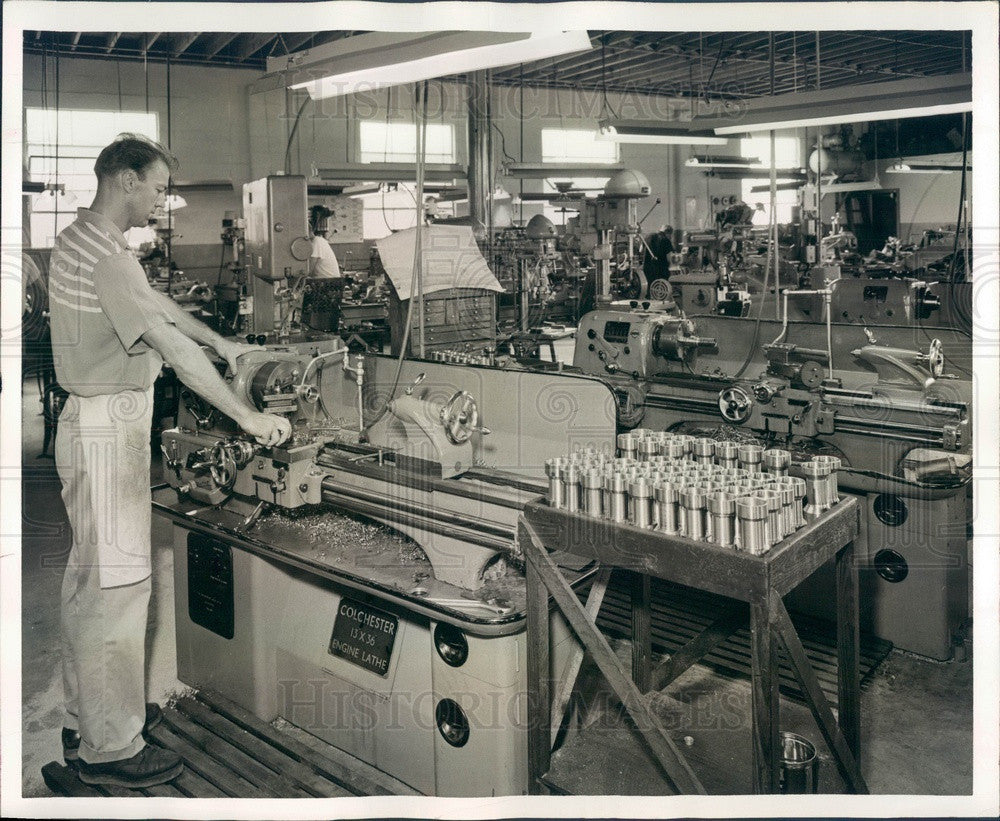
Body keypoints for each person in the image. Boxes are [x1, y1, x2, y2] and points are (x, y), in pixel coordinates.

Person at [48, 133, 291, 789]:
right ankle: (113, 748)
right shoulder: (112, 259)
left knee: (87, 583)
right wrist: (250, 417)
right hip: (109, 427)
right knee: (120, 590)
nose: (162, 201)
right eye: (157, 188)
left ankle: (88, 719)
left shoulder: (82, 239)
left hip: (83, 422)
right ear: (125, 180)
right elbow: (175, 357)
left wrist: (225, 344)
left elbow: (159, 310)